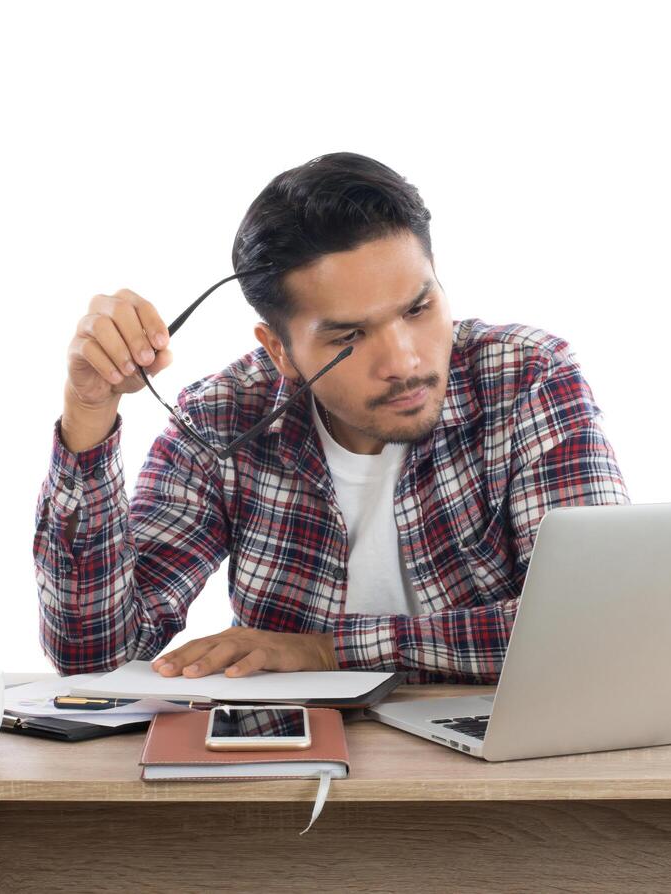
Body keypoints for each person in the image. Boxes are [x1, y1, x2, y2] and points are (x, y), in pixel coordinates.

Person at [33, 152, 630, 685]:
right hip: (291, 780)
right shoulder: (221, 419)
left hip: (496, 775)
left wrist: (324, 651)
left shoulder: (527, 377)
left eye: (419, 308)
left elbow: (594, 627)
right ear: (279, 350)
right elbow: (95, 658)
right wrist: (89, 412)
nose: (405, 361)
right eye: (349, 336)